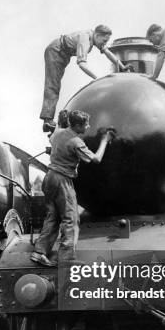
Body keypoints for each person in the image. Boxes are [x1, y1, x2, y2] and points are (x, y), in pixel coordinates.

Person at [31, 110, 115, 266]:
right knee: (71, 218)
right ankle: (67, 258)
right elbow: (96, 159)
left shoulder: (57, 133)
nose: (88, 127)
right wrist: (104, 140)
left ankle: (39, 252)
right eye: (85, 124)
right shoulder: (76, 142)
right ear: (77, 125)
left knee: (53, 217)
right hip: (62, 180)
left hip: (49, 178)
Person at [40, 25, 128, 133]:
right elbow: (82, 63)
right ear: (97, 35)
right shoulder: (85, 39)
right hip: (56, 51)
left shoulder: (95, 38)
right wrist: (98, 79)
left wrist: (122, 66)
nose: (104, 44)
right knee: (53, 85)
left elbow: (108, 52)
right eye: (104, 41)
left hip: (64, 54)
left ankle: (47, 120)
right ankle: (47, 120)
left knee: (55, 85)